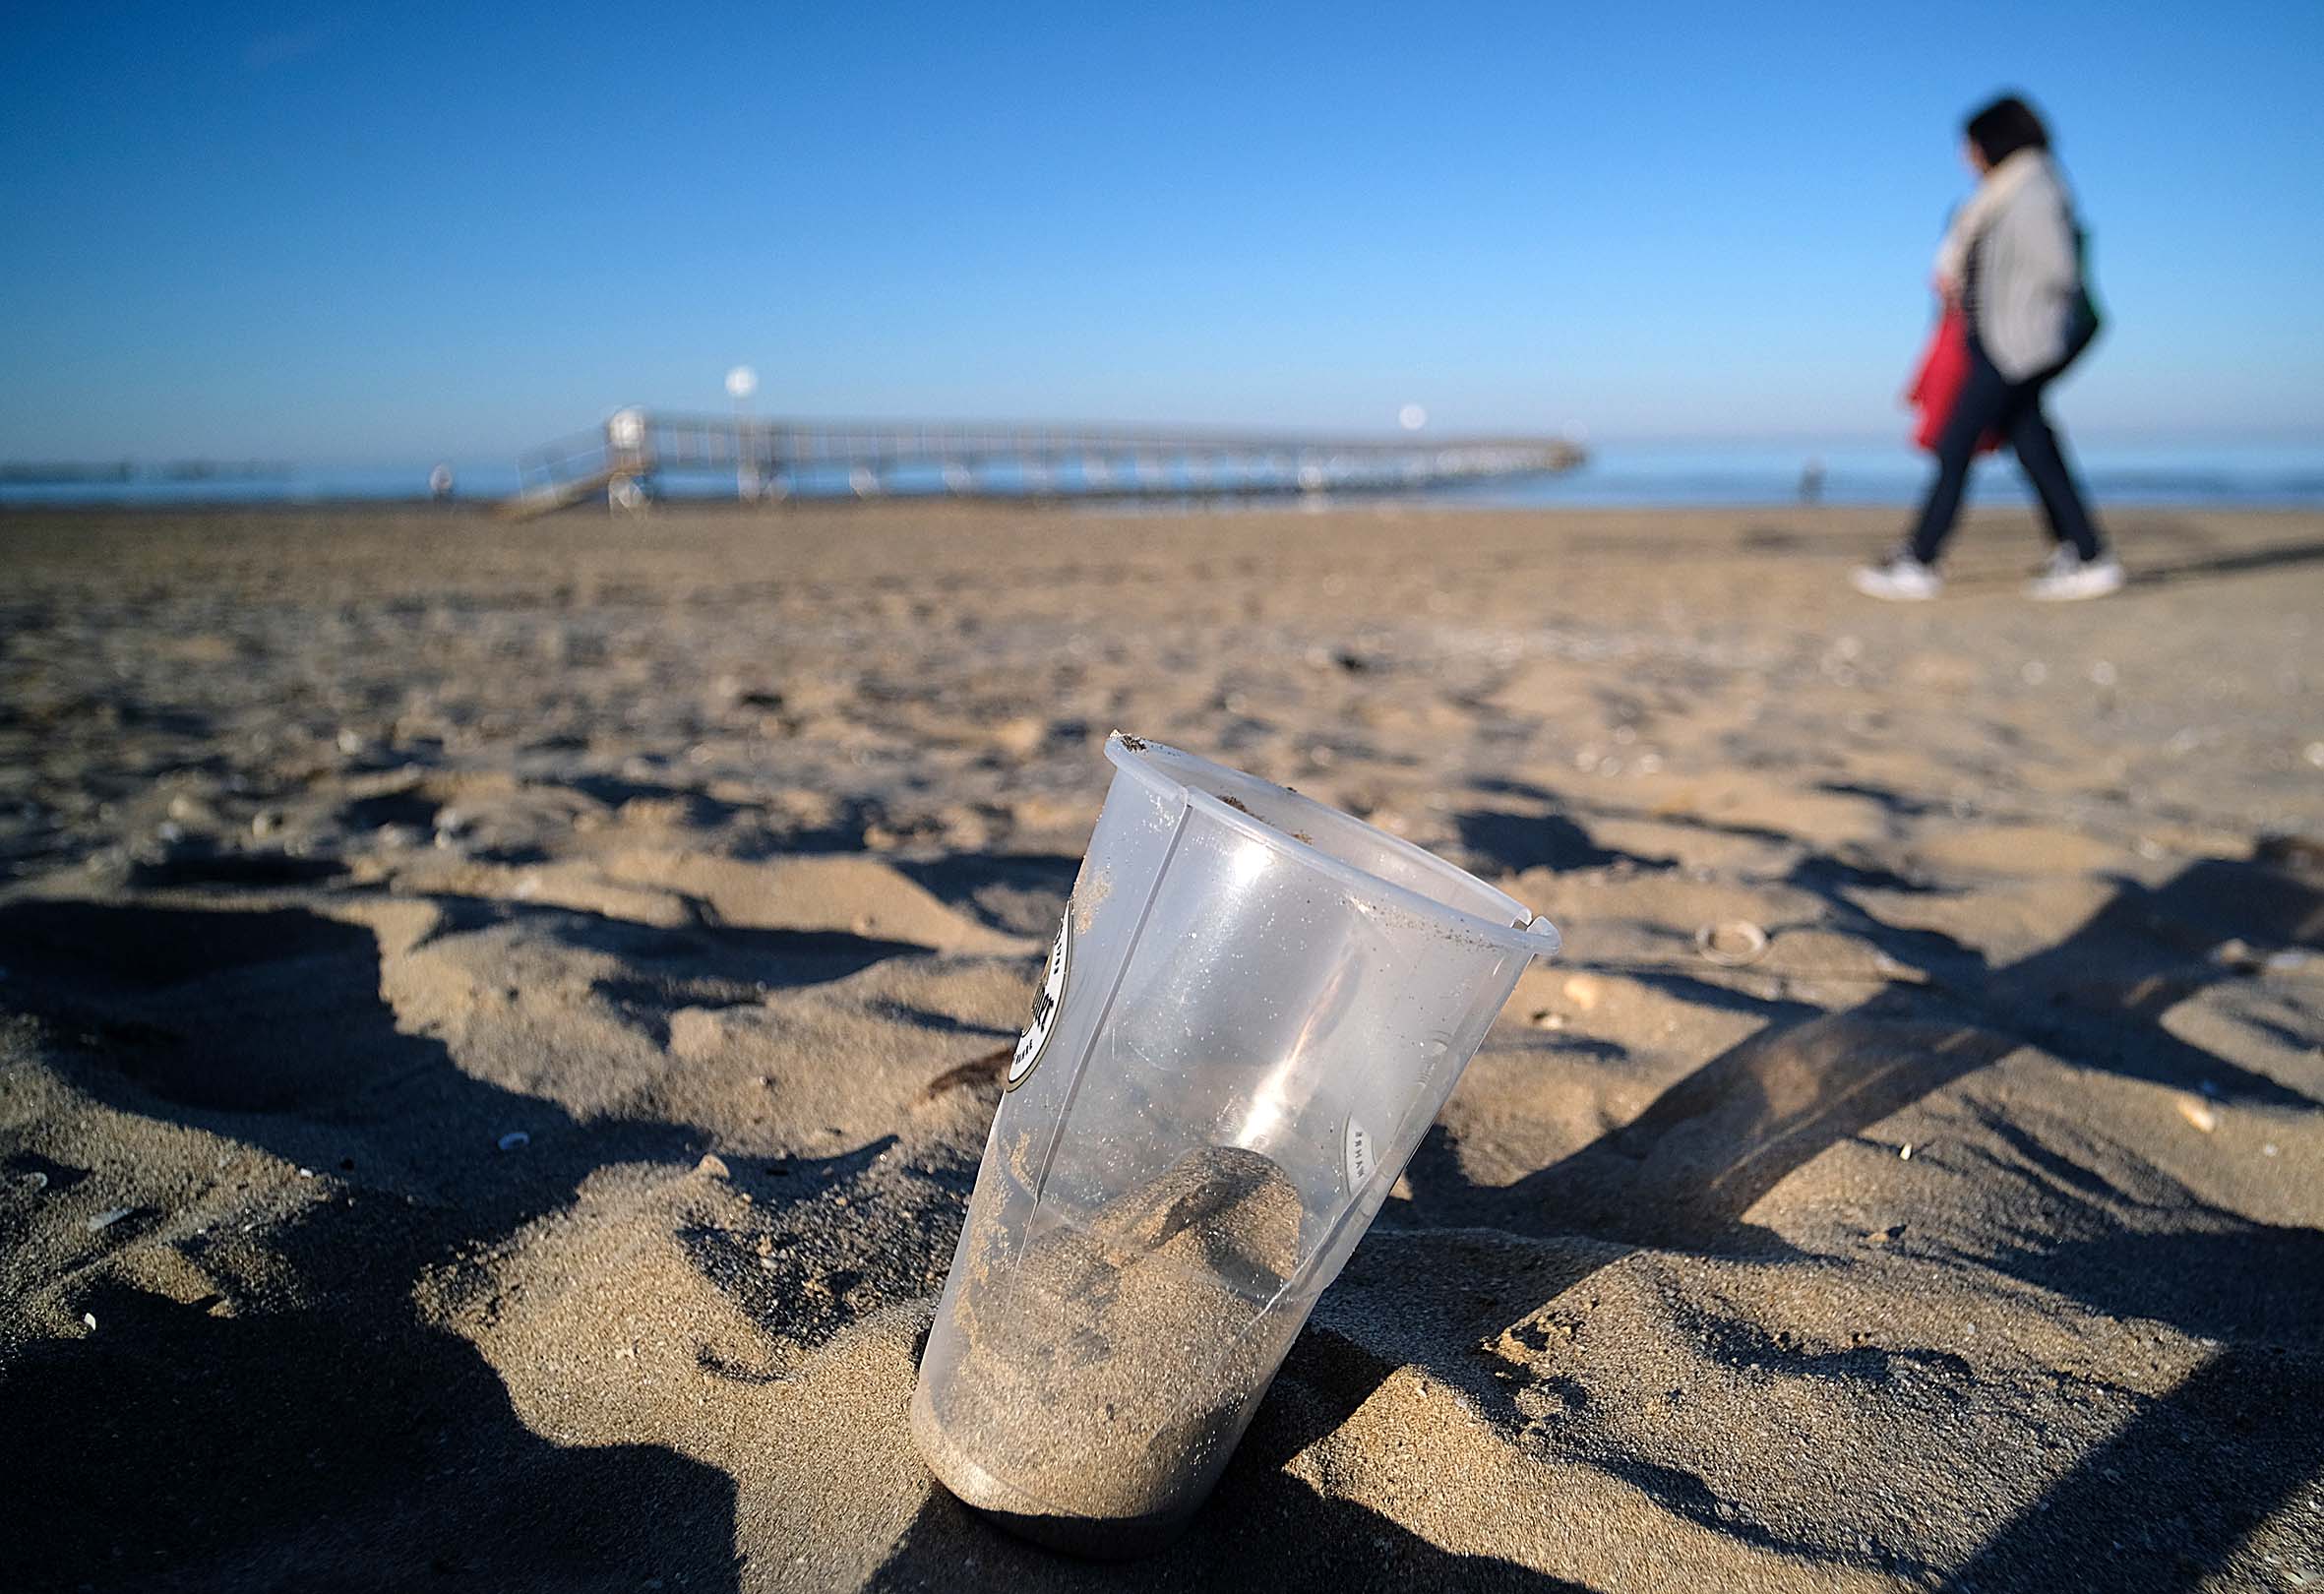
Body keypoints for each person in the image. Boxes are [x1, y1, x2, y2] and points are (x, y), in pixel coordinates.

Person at [1855, 94, 2123, 602]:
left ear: (1994, 140)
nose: (1965, 157)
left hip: (2013, 348)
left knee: (1956, 446)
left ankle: (1919, 559)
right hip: (2000, 344)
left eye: (1970, 145)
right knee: (2034, 446)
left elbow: (2057, 271)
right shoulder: (2008, 192)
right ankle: (2086, 553)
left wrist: (2018, 325)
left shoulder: (2033, 189)